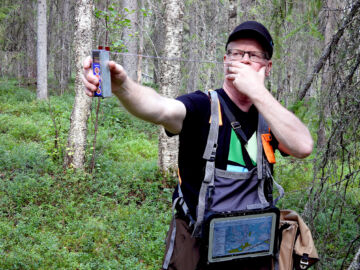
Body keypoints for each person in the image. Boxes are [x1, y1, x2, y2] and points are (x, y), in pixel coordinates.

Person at [83, 21, 313, 270]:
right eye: (237, 53)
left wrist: (259, 93)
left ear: (267, 68)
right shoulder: (202, 105)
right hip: (197, 251)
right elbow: (160, 107)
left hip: (254, 251)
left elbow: (302, 146)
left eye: (254, 55)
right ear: (226, 61)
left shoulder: (270, 117)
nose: (244, 60)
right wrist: (124, 88)